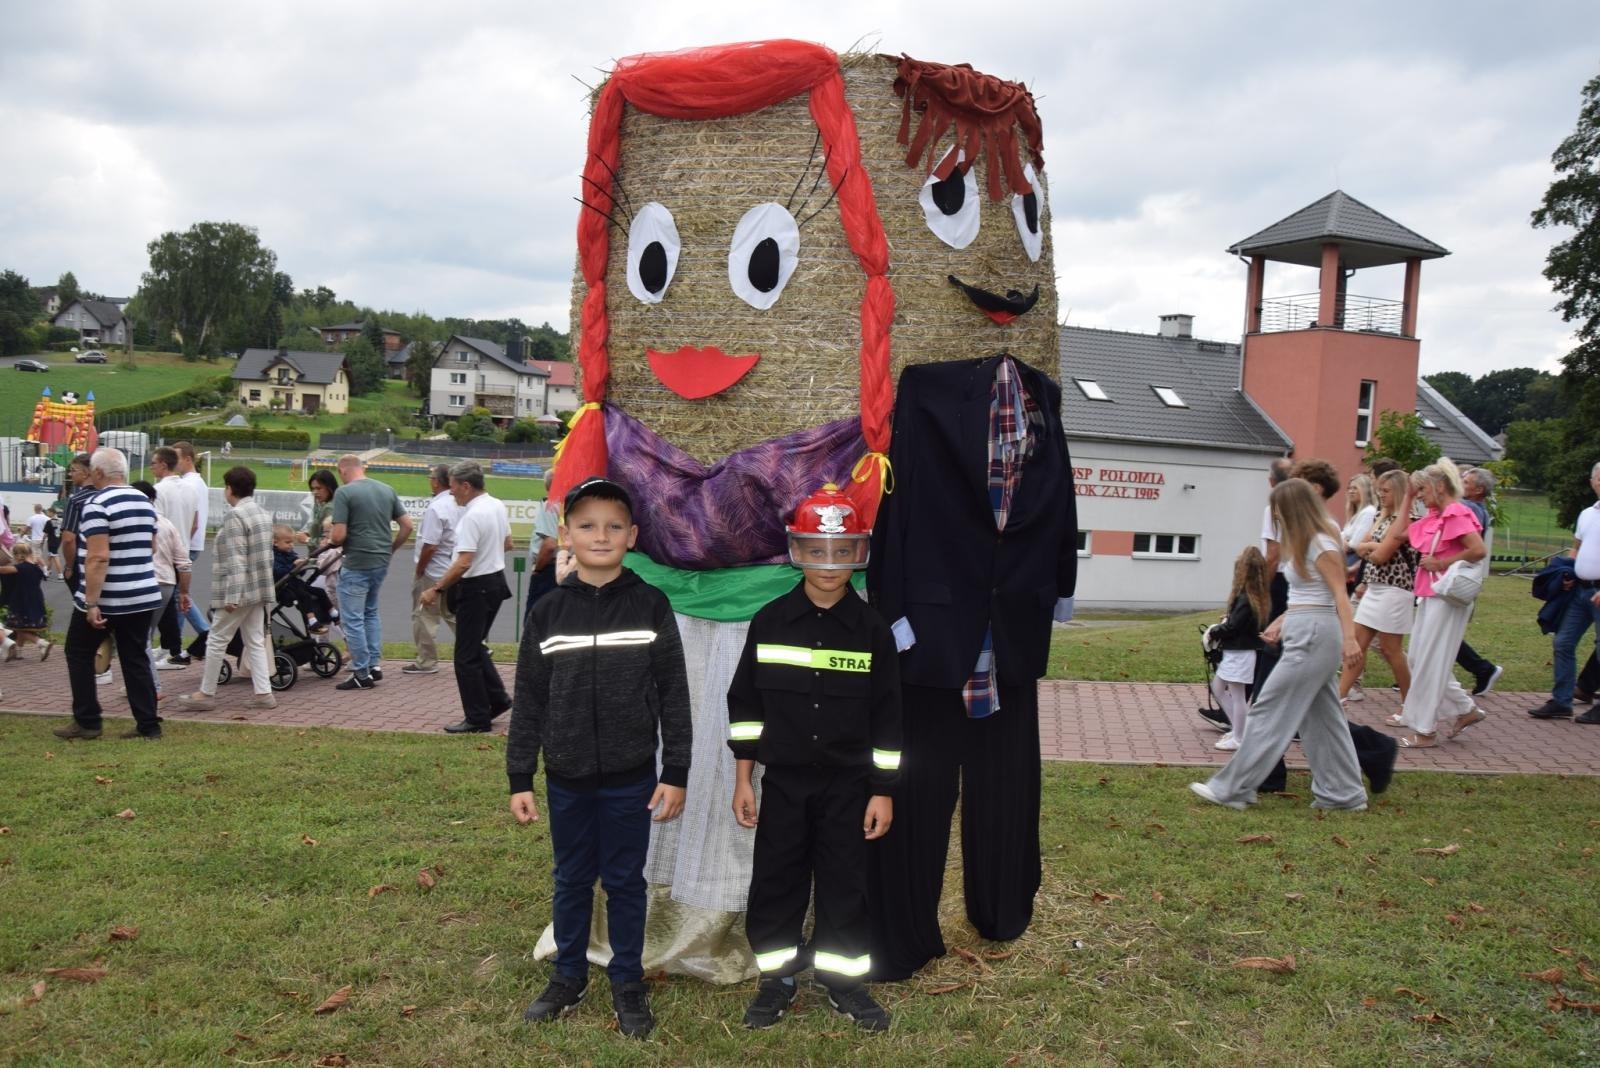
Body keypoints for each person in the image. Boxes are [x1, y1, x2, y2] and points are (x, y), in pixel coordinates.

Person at [508, 477, 691, 1040]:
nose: (601, 536)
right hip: (566, 779)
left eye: (614, 526)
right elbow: (530, 699)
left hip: (631, 778)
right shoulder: (547, 611)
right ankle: (568, 976)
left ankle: (627, 980)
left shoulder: (650, 604)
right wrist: (520, 776)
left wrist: (676, 772)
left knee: (625, 882)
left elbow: (674, 694)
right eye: (587, 525)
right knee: (570, 879)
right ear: (566, 534)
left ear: (632, 536)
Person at [727, 484, 900, 1032]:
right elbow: (745, 707)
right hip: (784, 783)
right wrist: (743, 779)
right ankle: (776, 979)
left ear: (859, 553)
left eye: (842, 551)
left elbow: (889, 720)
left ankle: (842, 981)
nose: (829, 563)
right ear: (796, 550)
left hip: (850, 787)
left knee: (845, 884)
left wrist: (882, 791)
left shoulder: (873, 631)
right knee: (776, 880)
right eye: (817, 550)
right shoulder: (770, 621)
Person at [1189, 478, 1367, 812]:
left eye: (1279, 511)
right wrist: (1282, 621)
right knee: (1323, 719)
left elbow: (1339, 596)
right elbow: (1305, 596)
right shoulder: (1304, 543)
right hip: (1307, 630)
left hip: (1315, 635)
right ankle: (1343, 794)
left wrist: (1350, 639)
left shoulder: (1320, 543)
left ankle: (1233, 788)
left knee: (1268, 708)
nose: (1275, 518)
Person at [55, 447, 164, 741]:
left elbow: (98, 557)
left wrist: (91, 602)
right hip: (142, 593)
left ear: (99, 472)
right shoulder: (143, 501)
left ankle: (88, 720)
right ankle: (148, 724)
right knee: (135, 658)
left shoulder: (97, 503)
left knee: (78, 652)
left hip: (107, 597)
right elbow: (152, 546)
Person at [1392, 459, 1488, 747]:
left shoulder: (1456, 513)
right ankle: (1465, 709)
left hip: (1446, 596)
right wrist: (1407, 497)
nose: (1420, 495)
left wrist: (1442, 562)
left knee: (1430, 661)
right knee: (1418, 659)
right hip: (1431, 594)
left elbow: (1478, 550)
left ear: (1440, 487)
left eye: (1423, 489)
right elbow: (1398, 534)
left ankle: (1426, 730)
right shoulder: (1435, 516)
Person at [177, 466, 279, 712]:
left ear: (230, 489)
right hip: (259, 589)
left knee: (216, 640)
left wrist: (232, 596)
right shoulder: (263, 514)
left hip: (239, 591)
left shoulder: (236, 516)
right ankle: (263, 693)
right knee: (255, 640)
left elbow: (237, 558)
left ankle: (206, 693)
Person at [421, 462, 511, 732]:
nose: (451, 493)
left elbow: (463, 562)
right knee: (475, 646)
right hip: (495, 582)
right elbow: (507, 543)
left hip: (476, 587)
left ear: (466, 486)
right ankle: (497, 699)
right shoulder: (496, 505)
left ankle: (477, 718)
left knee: (465, 656)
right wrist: (488, 556)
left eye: (453, 487)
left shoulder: (472, 516)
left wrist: (435, 589)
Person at [329, 454, 413, 690]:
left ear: (343, 471)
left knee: (352, 619)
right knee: (370, 612)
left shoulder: (344, 493)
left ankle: (361, 672)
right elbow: (407, 526)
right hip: (381, 560)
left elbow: (339, 536)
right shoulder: (386, 489)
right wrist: (391, 548)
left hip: (357, 560)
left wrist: (331, 540)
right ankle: (374, 664)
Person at [1530, 460, 1600, 723]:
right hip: (1581, 591)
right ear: (1592, 482)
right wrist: (1567, 573)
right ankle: (1561, 701)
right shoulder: (1587, 514)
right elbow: (1576, 547)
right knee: (1563, 642)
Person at [1343, 469, 1417, 704]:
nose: (1381, 495)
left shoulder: (1406, 519)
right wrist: (1374, 548)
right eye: (1379, 491)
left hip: (1395, 588)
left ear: (1399, 492)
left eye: (1386, 491)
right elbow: (1361, 547)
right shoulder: (1381, 516)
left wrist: (1373, 549)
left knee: (1390, 649)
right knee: (1356, 645)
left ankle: (1410, 701)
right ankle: (1339, 696)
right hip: (1375, 586)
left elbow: (1381, 554)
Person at [1203, 546, 1271, 753]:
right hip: (1239, 650)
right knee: (1219, 688)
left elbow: (1233, 627)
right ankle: (1238, 729)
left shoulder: (1245, 598)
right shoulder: (1255, 597)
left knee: (1237, 695)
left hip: (1240, 652)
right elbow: (1238, 623)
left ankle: (1240, 737)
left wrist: (1214, 632)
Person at [132, 479, 191, 700]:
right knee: (143, 636)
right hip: (167, 583)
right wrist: (184, 592)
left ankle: (151, 686)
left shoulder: (136, 521)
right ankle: (139, 682)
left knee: (140, 637)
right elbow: (184, 562)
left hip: (144, 581)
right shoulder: (167, 524)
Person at [403, 464, 459, 675]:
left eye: (431, 478)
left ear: (436, 482)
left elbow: (430, 545)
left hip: (433, 571)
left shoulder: (436, 507)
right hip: (454, 568)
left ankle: (426, 661)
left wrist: (420, 569)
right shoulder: (460, 503)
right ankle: (478, 648)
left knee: (424, 616)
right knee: (453, 614)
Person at [1455, 467, 1504, 696]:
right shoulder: (1476, 508)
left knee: (1445, 634)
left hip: (1457, 575)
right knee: (1443, 634)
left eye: (1466, 482)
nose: (1460, 484)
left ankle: (1483, 669)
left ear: (1479, 490)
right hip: (1459, 574)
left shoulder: (1470, 508)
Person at [151, 446, 198, 669]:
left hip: (163, 554)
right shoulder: (190, 489)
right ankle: (171, 648)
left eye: (153, 463)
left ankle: (174, 649)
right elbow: (195, 523)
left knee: (167, 605)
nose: (151, 467)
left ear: (163, 464)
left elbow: (156, 524)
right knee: (173, 603)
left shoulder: (158, 490)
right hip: (182, 551)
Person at [172, 441, 213, 658]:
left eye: (176, 458)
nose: (173, 463)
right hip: (191, 544)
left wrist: (179, 544)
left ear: (188, 459)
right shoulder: (197, 482)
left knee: (178, 594)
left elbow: (193, 521)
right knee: (179, 593)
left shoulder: (189, 484)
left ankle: (196, 636)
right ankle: (193, 638)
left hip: (187, 544)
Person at [295, 469, 342, 615]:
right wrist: (309, 533)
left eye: (319, 488)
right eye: (312, 489)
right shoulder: (321, 504)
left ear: (329, 487)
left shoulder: (330, 507)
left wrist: (307, 539)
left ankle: (330, 625)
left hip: (328, 562)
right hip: (321, 560)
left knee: (322, 603)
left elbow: (331, 540)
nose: (315, 492)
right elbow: (319, 528)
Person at [272, 525, 334, 631]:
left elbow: (300, 574)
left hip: (296, 584)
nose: (291, 545)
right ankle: (312, 620)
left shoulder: (291, 554)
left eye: (292, 542)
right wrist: (293, 566)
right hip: (283, 589)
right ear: (275, 543)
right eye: (288, 542)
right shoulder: (273, 556)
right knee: (304, 595)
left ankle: (332, 613)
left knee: (319, 591)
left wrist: (301, 567)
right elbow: (278, 572)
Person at [0, 542, 53, 660]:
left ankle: (41, 642)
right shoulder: (36, 568)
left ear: (17, 554)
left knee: (17, 627)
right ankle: (18, 653)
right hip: (36, 600)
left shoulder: (19, 568)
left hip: (22, 601)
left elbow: (2, 570)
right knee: (22, 627)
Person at [524, 467, 560, 622]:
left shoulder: (551, 505)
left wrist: (538, 569)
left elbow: (550, 544)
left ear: (547, 486)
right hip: (564, 566)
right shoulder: (571, 504)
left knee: (535, 619)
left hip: (548, 569)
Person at [44, 506, 63, 579]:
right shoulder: (60, 522)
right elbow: (62, 532)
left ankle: (60, 574)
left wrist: (42, 541)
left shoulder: (49, 522)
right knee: (50, 556)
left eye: (48, 512)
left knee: (55, 556)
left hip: (52, 541)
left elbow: (46, 533)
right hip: (58, 541)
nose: (47, 514)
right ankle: (48, 571)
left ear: (52, 513)